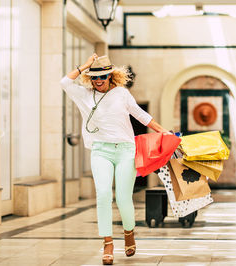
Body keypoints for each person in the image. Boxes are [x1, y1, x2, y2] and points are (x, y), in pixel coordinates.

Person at [60, 54, 170, 265]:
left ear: (110, 76)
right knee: (102, 194)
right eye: (94, 77)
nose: (98, 81)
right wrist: (86, 65)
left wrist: (163, 131)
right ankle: (108, 242)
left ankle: (129, 232)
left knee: (122, 198)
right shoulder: (84, 95)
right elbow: (64, 82)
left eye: (102, 76)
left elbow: (141, 115)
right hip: (100, 150)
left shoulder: (121, 94)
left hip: (126, 151)